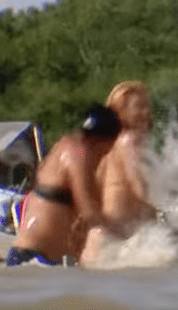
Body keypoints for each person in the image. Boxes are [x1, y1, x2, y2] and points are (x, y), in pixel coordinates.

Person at [7, 105, 121, 266]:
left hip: (41, 261)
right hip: (34, 259)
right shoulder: (78, 153)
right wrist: (128, 243)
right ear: (104, 140)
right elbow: (89, 210)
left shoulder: (64, 146)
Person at [80, 81, 157, 265]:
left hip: (101, 239)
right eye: (139, 107)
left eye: (147, 106)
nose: (146, 112)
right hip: (114, 242)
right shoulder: (128, 141)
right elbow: (140, 187)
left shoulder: (107, 146)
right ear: (120, 113)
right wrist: (164, 214)